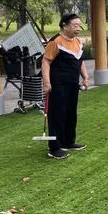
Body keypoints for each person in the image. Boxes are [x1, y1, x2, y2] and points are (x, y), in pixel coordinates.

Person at [42, 14, 89, 159]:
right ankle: (54, 148)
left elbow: (80, 62)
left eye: (80, 25)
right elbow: (46, 62)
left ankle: (69, 141)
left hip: (72, 84)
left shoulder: (77, 42)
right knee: (57, 114)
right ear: (65, 25)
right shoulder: (56, 42)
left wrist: (86, 77)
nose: (79, 28)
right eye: (75, 25)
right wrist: (46, 82)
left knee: (70, 113)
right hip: (57, 84)